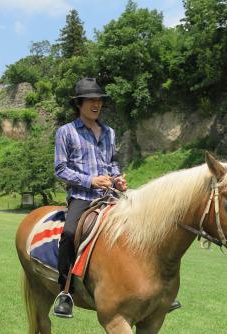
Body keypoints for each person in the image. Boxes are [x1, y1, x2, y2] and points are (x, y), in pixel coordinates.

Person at [53, 78, 181, 317]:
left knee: (148, 226)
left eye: (99, 100)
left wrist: (117, 178)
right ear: (79, 103)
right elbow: (60, 169)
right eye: (91, 100)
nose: (96, 104)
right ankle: (65, 291)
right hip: (82, 196)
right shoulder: (66, 132)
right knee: (70, 232)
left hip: (112, 195)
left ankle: (159, 292)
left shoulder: (109, 132)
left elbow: (111, 163)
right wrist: (90, 180)